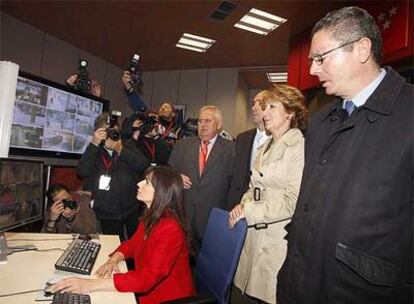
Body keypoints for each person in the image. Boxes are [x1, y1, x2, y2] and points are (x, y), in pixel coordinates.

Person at [277, 6, 413, 304]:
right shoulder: (321, 122)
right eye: (311, 60)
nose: (312, 70)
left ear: (362, 49)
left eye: (321, 58)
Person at [51, 166, 195, 304]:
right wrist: (114, 259)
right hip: (148, 291)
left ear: (161, 192)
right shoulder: (150, 217)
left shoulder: (170, 229)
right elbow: (132, 244)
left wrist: (90, 285)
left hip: (166, 297)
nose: (139, 183)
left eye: (147, 182)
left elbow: (147, 278)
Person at [229, 85, 306, 304]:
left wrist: (249, 210)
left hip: (274, 242)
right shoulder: (266, 146)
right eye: (265, 107)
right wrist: (241, 205)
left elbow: (293, 202)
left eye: (273, 107)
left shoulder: (298, 147)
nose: (265, 113)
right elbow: (252, 186)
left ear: (290, 113)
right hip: (252, 237)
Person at [168, 105, 235, 250]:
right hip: (183, 217)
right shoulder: (182, 145)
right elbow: (167, 172)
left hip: (213, 220)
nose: (202, 125)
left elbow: (235, 184)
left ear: (219, 125)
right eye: (200, 121)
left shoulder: (232, 149)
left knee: (207, 268)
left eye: (208, 121)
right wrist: (176, 177)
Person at [77, 113, 149, 241]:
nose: (111, 134)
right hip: (107, 211)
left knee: (135, 244)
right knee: (115, 246)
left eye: (114, 130)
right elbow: (82, 171)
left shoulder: (126, 144)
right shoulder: (94, 149)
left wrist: (120, 149)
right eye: (107, 131)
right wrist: (94, 144)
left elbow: (143, 165)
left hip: (130, 208)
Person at [227, 90, 270, 210]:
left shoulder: (278, 140)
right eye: (253, 103)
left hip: (264, 205)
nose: (254, 108)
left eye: (260, 103)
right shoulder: (242, 138)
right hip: (237, 202)